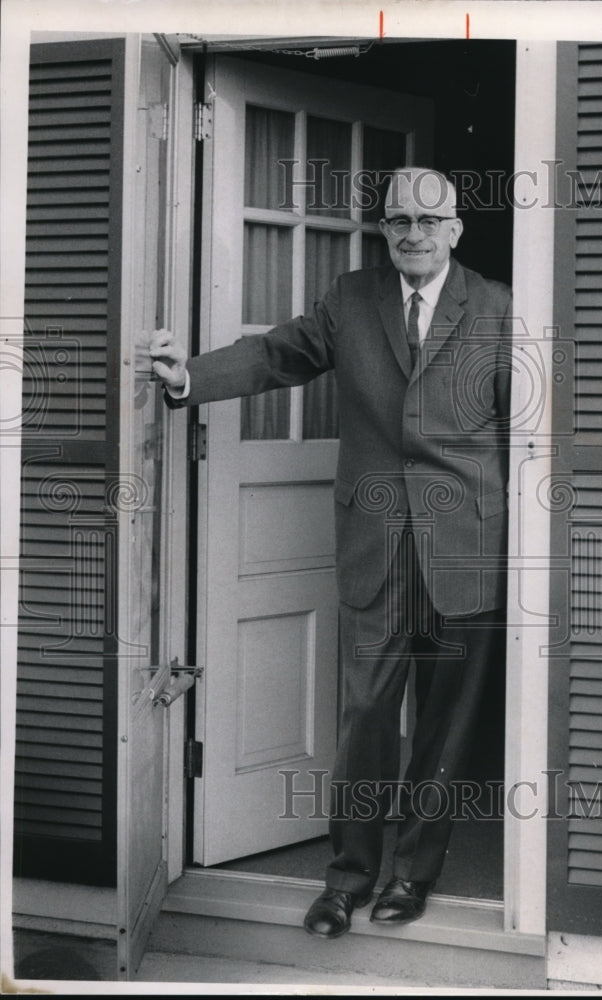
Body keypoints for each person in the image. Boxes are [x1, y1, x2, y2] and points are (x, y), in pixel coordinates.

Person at [151, 166, 512, 939]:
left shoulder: (498, 307)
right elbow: (278, 354)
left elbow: (531, 432)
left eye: (426, 220)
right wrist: (188, 377)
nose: (410, 234)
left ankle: (412, 877)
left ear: (454, 229)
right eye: (396, 222)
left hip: (464, 548)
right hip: (374, 545)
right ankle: (346, 880)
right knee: (366, 719)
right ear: (384, 231)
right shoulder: (351, 299)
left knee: (447, 728)